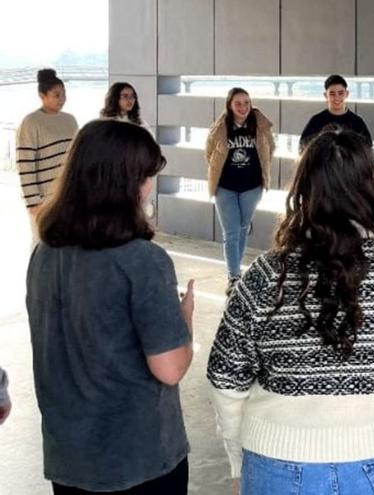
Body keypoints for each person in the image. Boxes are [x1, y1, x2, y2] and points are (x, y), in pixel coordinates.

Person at [208, 129, 374, 495]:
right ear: (373, 187)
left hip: (275, 464)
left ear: (304, 190)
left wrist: (237, 460)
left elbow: (225, 377)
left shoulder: (265, 275)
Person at [27, 120, 194, 494]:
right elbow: (169, 368)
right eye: (146, 175)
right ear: (127, 182)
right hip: (141, 460)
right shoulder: (143, 261)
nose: (150, 186)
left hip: (70, 459)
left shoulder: (44, 255)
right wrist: (184, 321)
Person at [205, 87, 275, 295]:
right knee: (231, 232)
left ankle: (236, 270)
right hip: (225, 187)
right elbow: (209, 153)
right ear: (230, 105)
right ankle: (234, 276)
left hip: (251, 187)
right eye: (238, 103)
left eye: (246, 102)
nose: (243, 107)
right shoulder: (221, 127)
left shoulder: (260, 125)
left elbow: (269, 150)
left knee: (243, 228)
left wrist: (259, 174)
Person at [16, 68, 79, 243]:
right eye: (56, 95)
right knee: (42, 245)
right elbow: (25, 164)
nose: (62, 99)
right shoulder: (31, 122)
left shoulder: (70, 120)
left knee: (68, 245)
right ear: (42, 96)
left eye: (64, 94)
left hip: (68, 195)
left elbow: (76, 158)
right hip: (44, 200)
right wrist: (33, 202)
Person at [299, 74, 372, 152]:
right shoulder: (316, 121)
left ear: (347, 94)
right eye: (332, 94)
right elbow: (302, 149)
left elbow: (368, 150)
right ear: (325, 96)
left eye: (340, 93)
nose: (337, 98)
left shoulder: (357, 122)